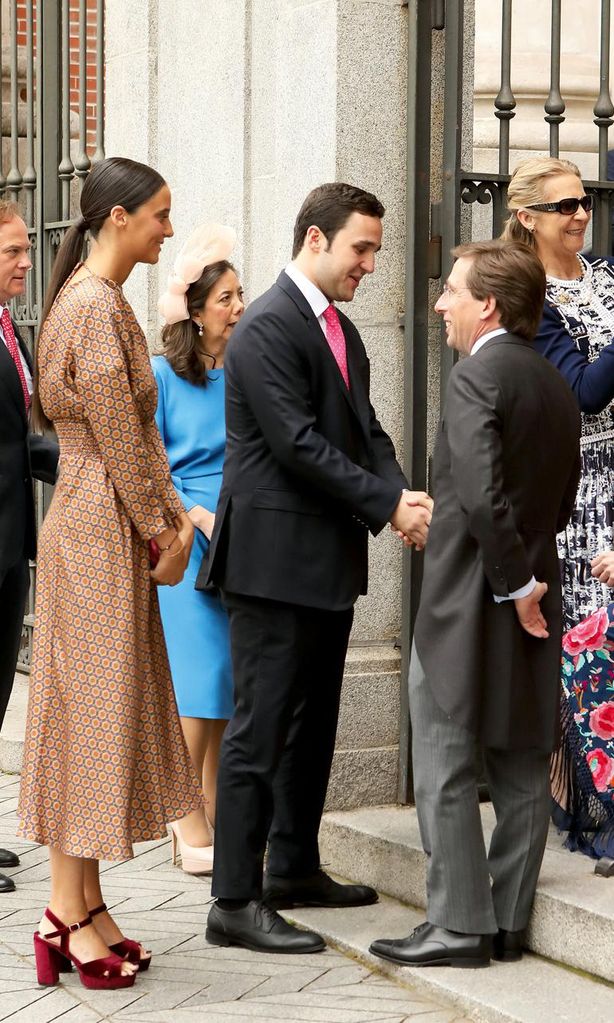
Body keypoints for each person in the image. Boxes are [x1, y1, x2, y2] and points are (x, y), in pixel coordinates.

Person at [200, 181, 433, 955]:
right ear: (313, 239)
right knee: (259, 730)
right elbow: (298, 444)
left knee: (314, 726)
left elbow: (364, 430)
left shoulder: (342, 333)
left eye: (374, 248)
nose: (370, 263)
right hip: (270, 565)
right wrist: (387, 506)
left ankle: (293, 864)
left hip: (325, 563)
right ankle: (234, 898)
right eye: (360, 247)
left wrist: (402, 494)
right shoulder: (267, 325)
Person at [17, 157, 203, 990]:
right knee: (90, 718)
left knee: (97, 711)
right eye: (160, 214)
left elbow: (130, 439)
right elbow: (124, 443)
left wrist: (165, 519)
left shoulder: (97, 300)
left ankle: (83, 903)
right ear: (119, 217)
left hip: (96, 520)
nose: (170, 227)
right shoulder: (94, 305)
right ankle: (62, 909)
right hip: (97, 525)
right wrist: (167, 526)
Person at [370, 240, 581, 969]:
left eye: (451, 291)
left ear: (488, 303)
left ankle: (459, 926)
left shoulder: (473, 376)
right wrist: (528, 579)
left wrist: (513, 584)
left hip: (470, 600)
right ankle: (508, 922)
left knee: (445, 762)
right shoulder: (556, 383)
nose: (440, 304)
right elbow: (562, 499)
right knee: (523, 759)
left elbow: (484, 492)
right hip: (533, 593)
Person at [503, 156, 614, 857]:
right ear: (527, 218)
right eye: (563, 205)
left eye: (583, 202)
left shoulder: (607, 276)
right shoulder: (529, 297)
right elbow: (582, 392)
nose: (579, 214)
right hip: (579, 489)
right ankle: (583, 806)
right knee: (589, 649)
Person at [154, 223, 245, 874]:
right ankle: (181, 816)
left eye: (241, 296)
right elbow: (148, 466)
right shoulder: (160, 376)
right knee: (200, 677)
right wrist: (194, 514)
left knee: (225, 684)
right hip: (189, 537)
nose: (239, 309)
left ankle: (208, 806)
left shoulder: (241, 372)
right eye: (226, 299)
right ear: (194, 311)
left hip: (239, 533)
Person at [0, 199, 58, 894]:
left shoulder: (10, 325)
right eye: (12, 251)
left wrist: (68, 461)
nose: (25, 262)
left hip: (12, 542)